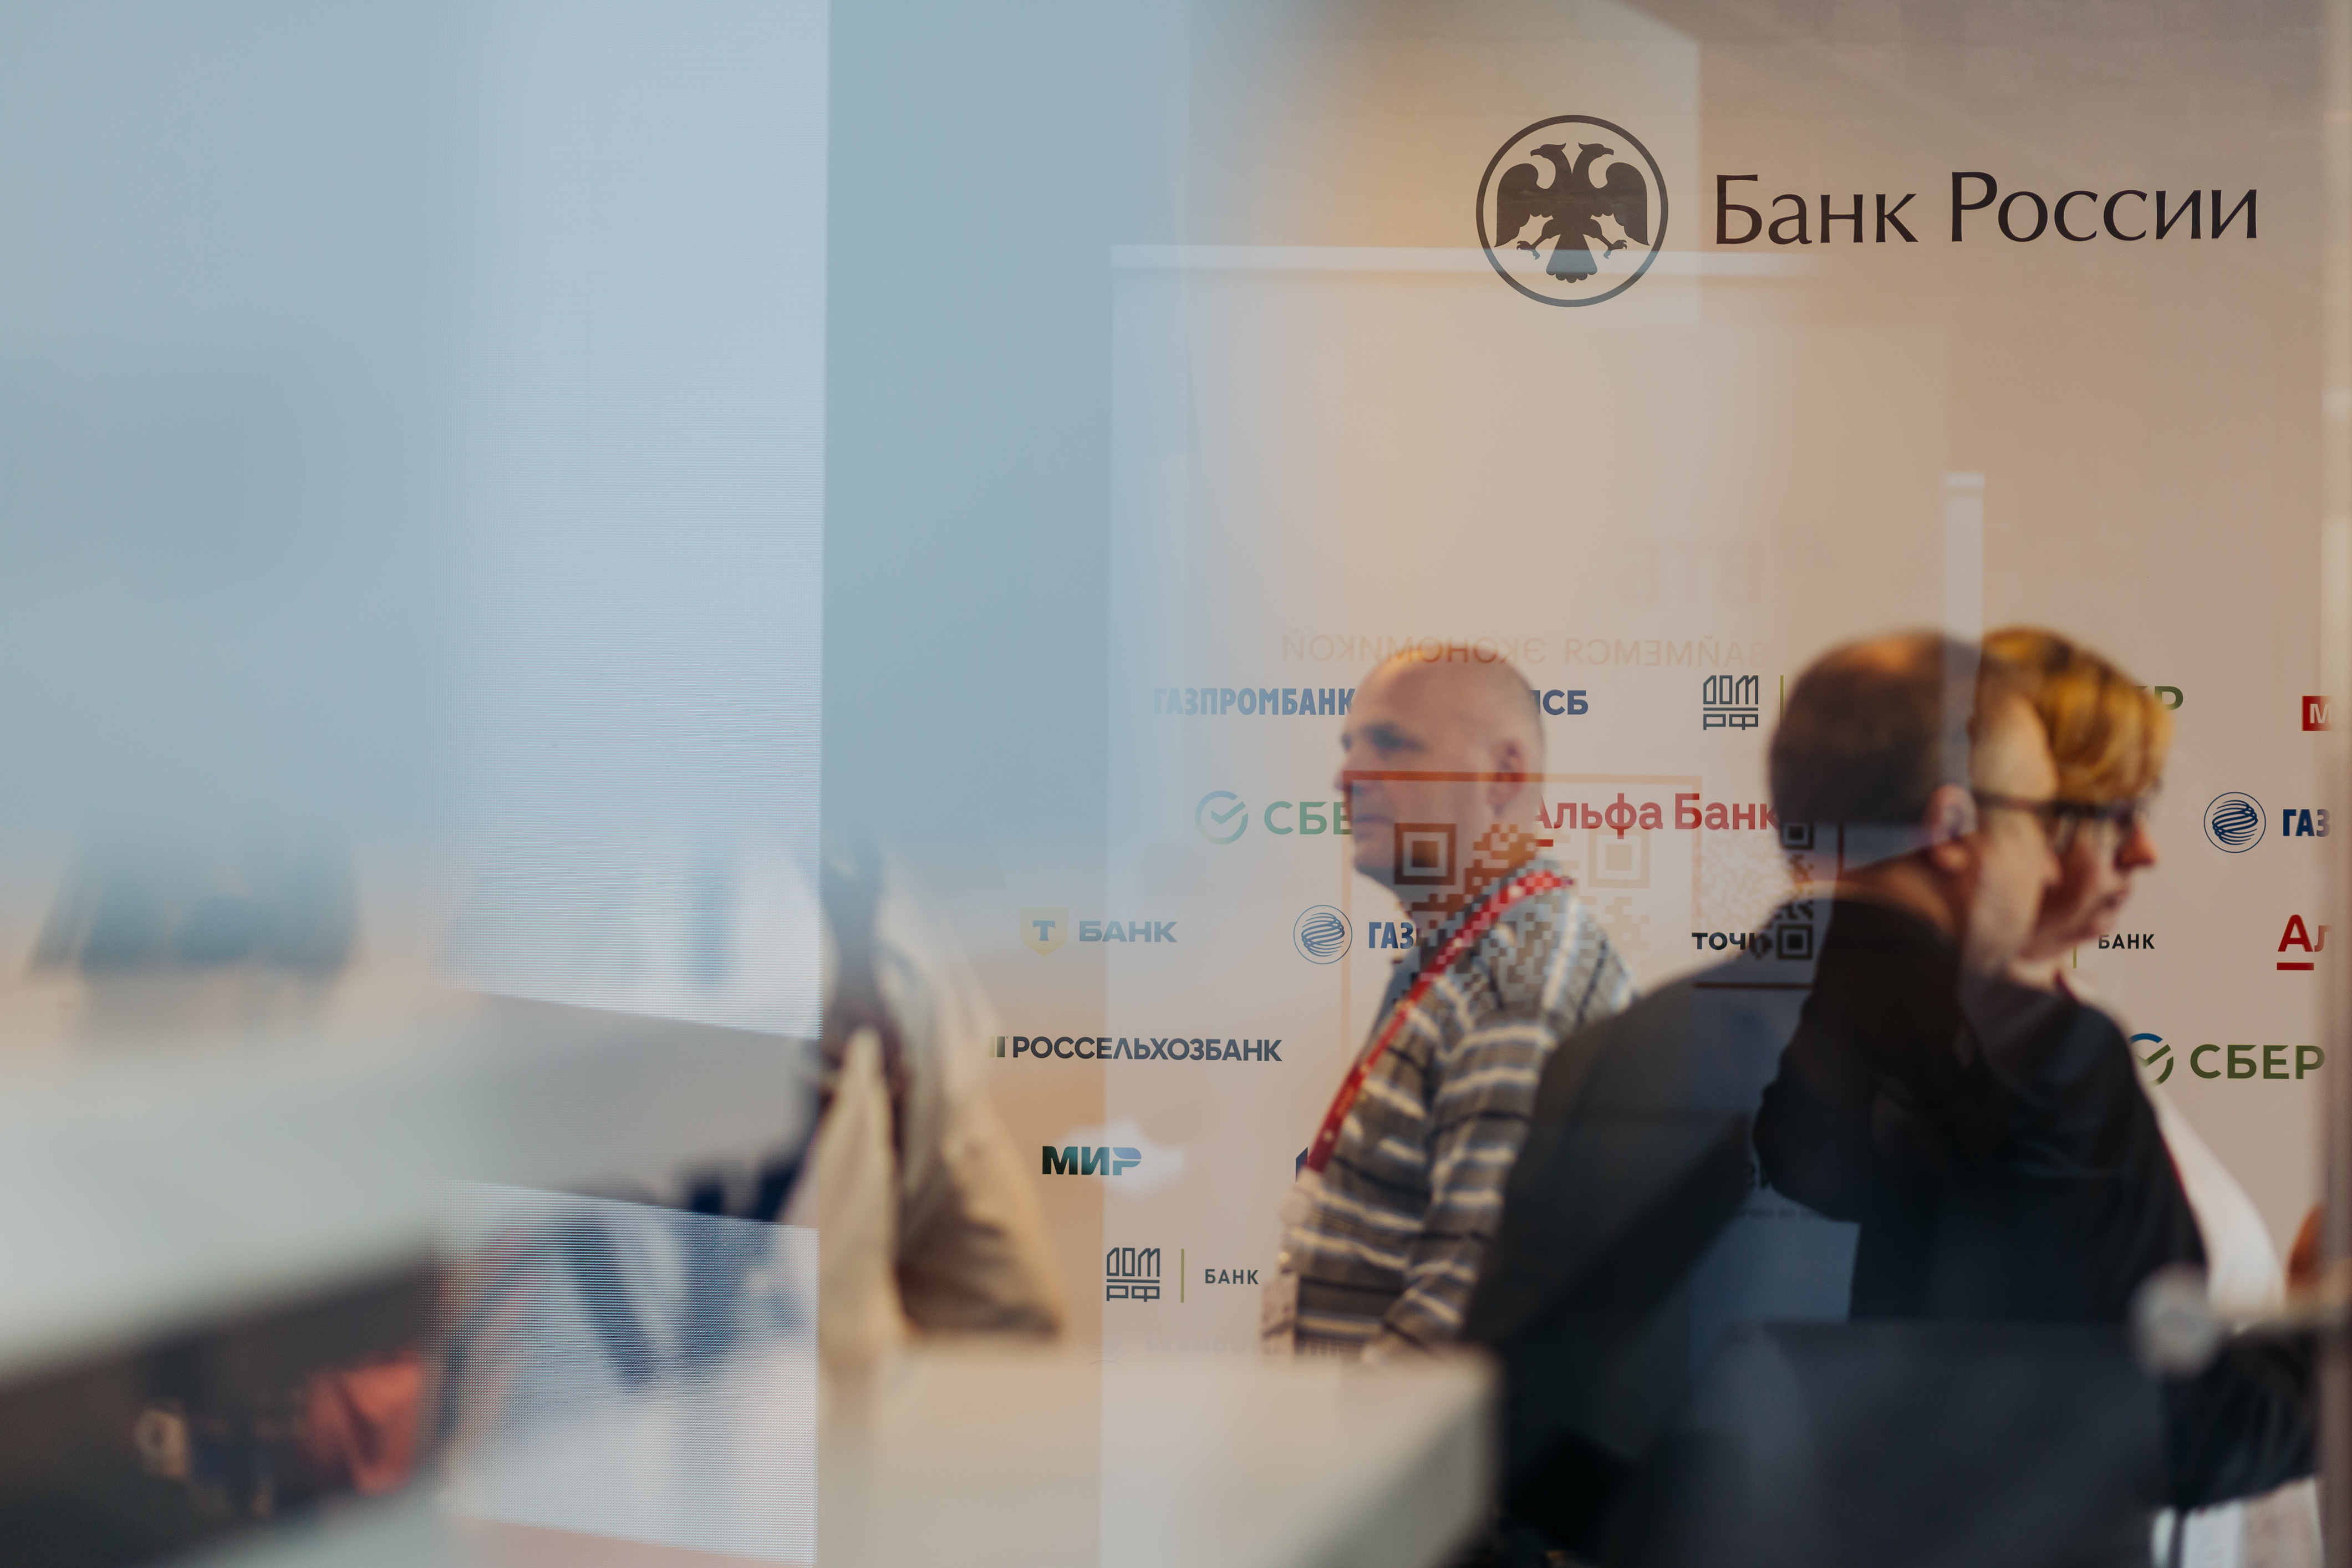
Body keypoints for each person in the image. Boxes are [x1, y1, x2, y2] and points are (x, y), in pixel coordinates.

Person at [1466, 632, 2312, 1559]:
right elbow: (2181, 1432)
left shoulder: (1608, 1052)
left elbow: (1514, 1426)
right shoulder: (2051, 1058)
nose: (2047, 864)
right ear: (1951, 829)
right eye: (2040, 818)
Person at [1988, 625, 2320, 1566]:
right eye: (2110, 811)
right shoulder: (1981, 1067)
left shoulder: (2078, 1033)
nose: (2145, 850)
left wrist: (2300, 1306)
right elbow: (2160, 1431)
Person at [1260, 653, 1636, 1360]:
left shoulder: (1514, 988)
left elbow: (1456, 1317)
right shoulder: (1471, 959)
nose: (1347, 775)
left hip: (1395, 1431)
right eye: (1349, 746)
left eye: (1391, 743)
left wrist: (1328, 1432)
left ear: (1504, 775)